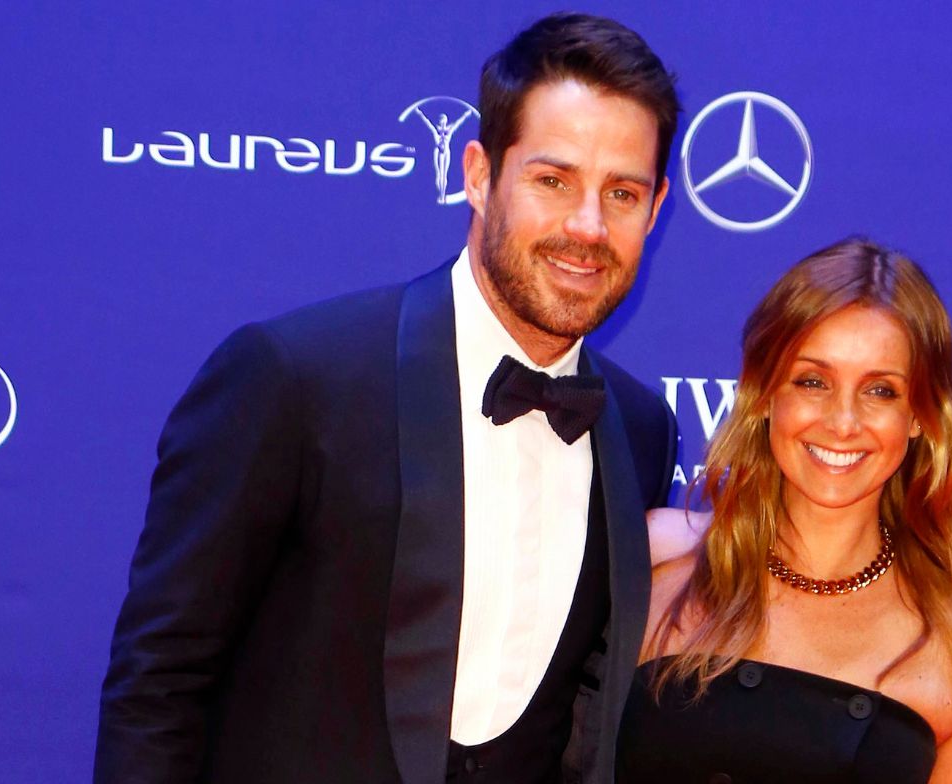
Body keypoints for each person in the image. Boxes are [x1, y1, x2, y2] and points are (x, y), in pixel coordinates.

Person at [94, 13, 680, 784]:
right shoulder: (294, 379)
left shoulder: (639, 429)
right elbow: (159, 684)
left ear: (656, 208)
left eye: (622, 193)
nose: (587, 226)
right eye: (553, 180)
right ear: (479, 175)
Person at [618, 239, 952, 783]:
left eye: (880, 391)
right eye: (813, 382)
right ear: (763, 393)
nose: (842, 422)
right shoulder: (656, 558)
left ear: (920, 416)